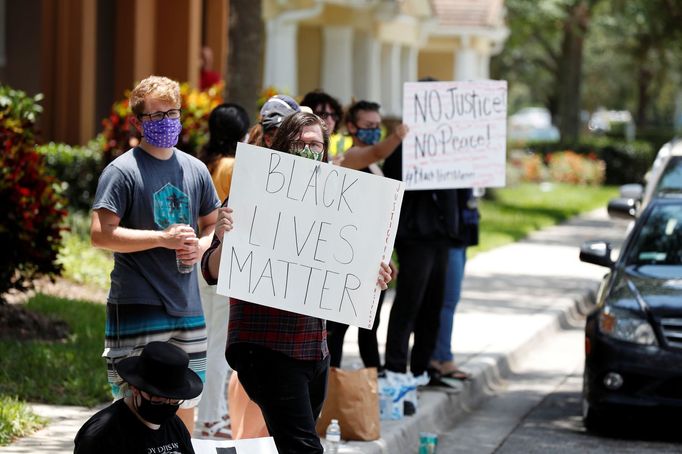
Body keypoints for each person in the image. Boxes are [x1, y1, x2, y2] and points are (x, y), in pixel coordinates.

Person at [201, 111, 393, 453]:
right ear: (281, 144)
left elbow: (345, 265)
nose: (307, 151)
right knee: (303, 448)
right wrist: (225, 238)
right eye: (299, 143)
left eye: (315, 144)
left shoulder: (339, 202)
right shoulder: (252, 190)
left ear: (326, 149)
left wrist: (372, 276)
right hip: (265, 346)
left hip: (313, 347)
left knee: (288, 442)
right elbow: (212, 271)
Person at [90, 75, 221, 432]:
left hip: (188, 307)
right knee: (133, 406)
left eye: (172, 113)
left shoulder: (195, 169)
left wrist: (202, 246)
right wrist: (161, 239)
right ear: (137, 122)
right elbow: (100, 235)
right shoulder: (122, 171)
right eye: (157, 116)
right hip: (137, 304)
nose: (167, 122)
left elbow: (213, 225)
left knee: (187, 398)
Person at [325, 99, 407, 371]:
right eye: (368, 126)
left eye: (377, 126)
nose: (374, 130)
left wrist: (384, 256)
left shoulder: (373, 165)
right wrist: (398, 135)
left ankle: (373, 379)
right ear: (351, 127)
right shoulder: (351, 158)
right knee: (339, 328)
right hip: (351, 256)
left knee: (369, 324)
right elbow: (376, 151)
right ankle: (333, 385)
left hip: (370, 256)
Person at [381, 142, 463, 389]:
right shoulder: (405, 148)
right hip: (415, 233)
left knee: (433, 304)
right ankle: (396, 367)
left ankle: (422, 368)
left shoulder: (451, 146)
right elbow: (392, 174)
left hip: (442, 232)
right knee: (409, 301)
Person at [196, 103, 250, 438]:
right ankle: (212, 417)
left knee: (207, 341)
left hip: (203, 259)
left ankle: (206, 412)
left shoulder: (205, 163)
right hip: (224, 257)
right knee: (220, 344)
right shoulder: (233, 167)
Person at [74, 341, 203, 454]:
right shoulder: (102, 435)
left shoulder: (175, 426)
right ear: (135, 388)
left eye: (174, 399)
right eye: (158, 398)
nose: (167, 405)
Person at [429, 189, 479, 381]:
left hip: (461, 229)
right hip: (449, 231)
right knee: (447, 300)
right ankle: (441, 358)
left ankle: (438, 356)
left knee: (449, 300)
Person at [300, 90, 350, 159]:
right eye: (323, 114)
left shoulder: (333, 157)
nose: (330, 121)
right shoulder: (295, 146)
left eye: (333, 115)